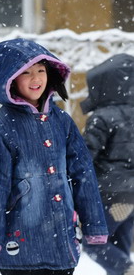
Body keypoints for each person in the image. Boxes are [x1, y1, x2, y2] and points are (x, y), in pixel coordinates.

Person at [0, 38, 108, 275]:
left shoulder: (62, 121)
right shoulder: (2, 124)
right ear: (10, 79)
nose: (36, 78)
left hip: (62, 241)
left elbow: (83, 174)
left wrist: (93, 224)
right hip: (20, 239)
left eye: (40, 70)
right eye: (26, 72)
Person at [80, 53, 134, 275]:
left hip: (110, 193)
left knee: (93, 242)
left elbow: (85, 157)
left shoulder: (102, 117)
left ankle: (126, 268)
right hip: (131, 195)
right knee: (119, 243)